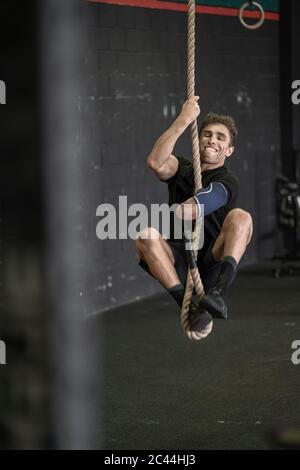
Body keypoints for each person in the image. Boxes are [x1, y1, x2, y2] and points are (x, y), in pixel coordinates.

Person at [135, 96, 253, 339]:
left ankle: (219, 293)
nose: (212, 139)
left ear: (229, 150)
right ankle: (188, 307)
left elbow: (190, 210)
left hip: (210, 260)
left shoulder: (227, 181)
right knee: (145, 236)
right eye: (207, 134)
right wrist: (184, 119)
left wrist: (183, 208)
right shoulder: (183, 167)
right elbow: (156, 162)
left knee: (241, 217)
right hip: (179, 259)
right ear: (198, 140)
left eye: (221, 137)